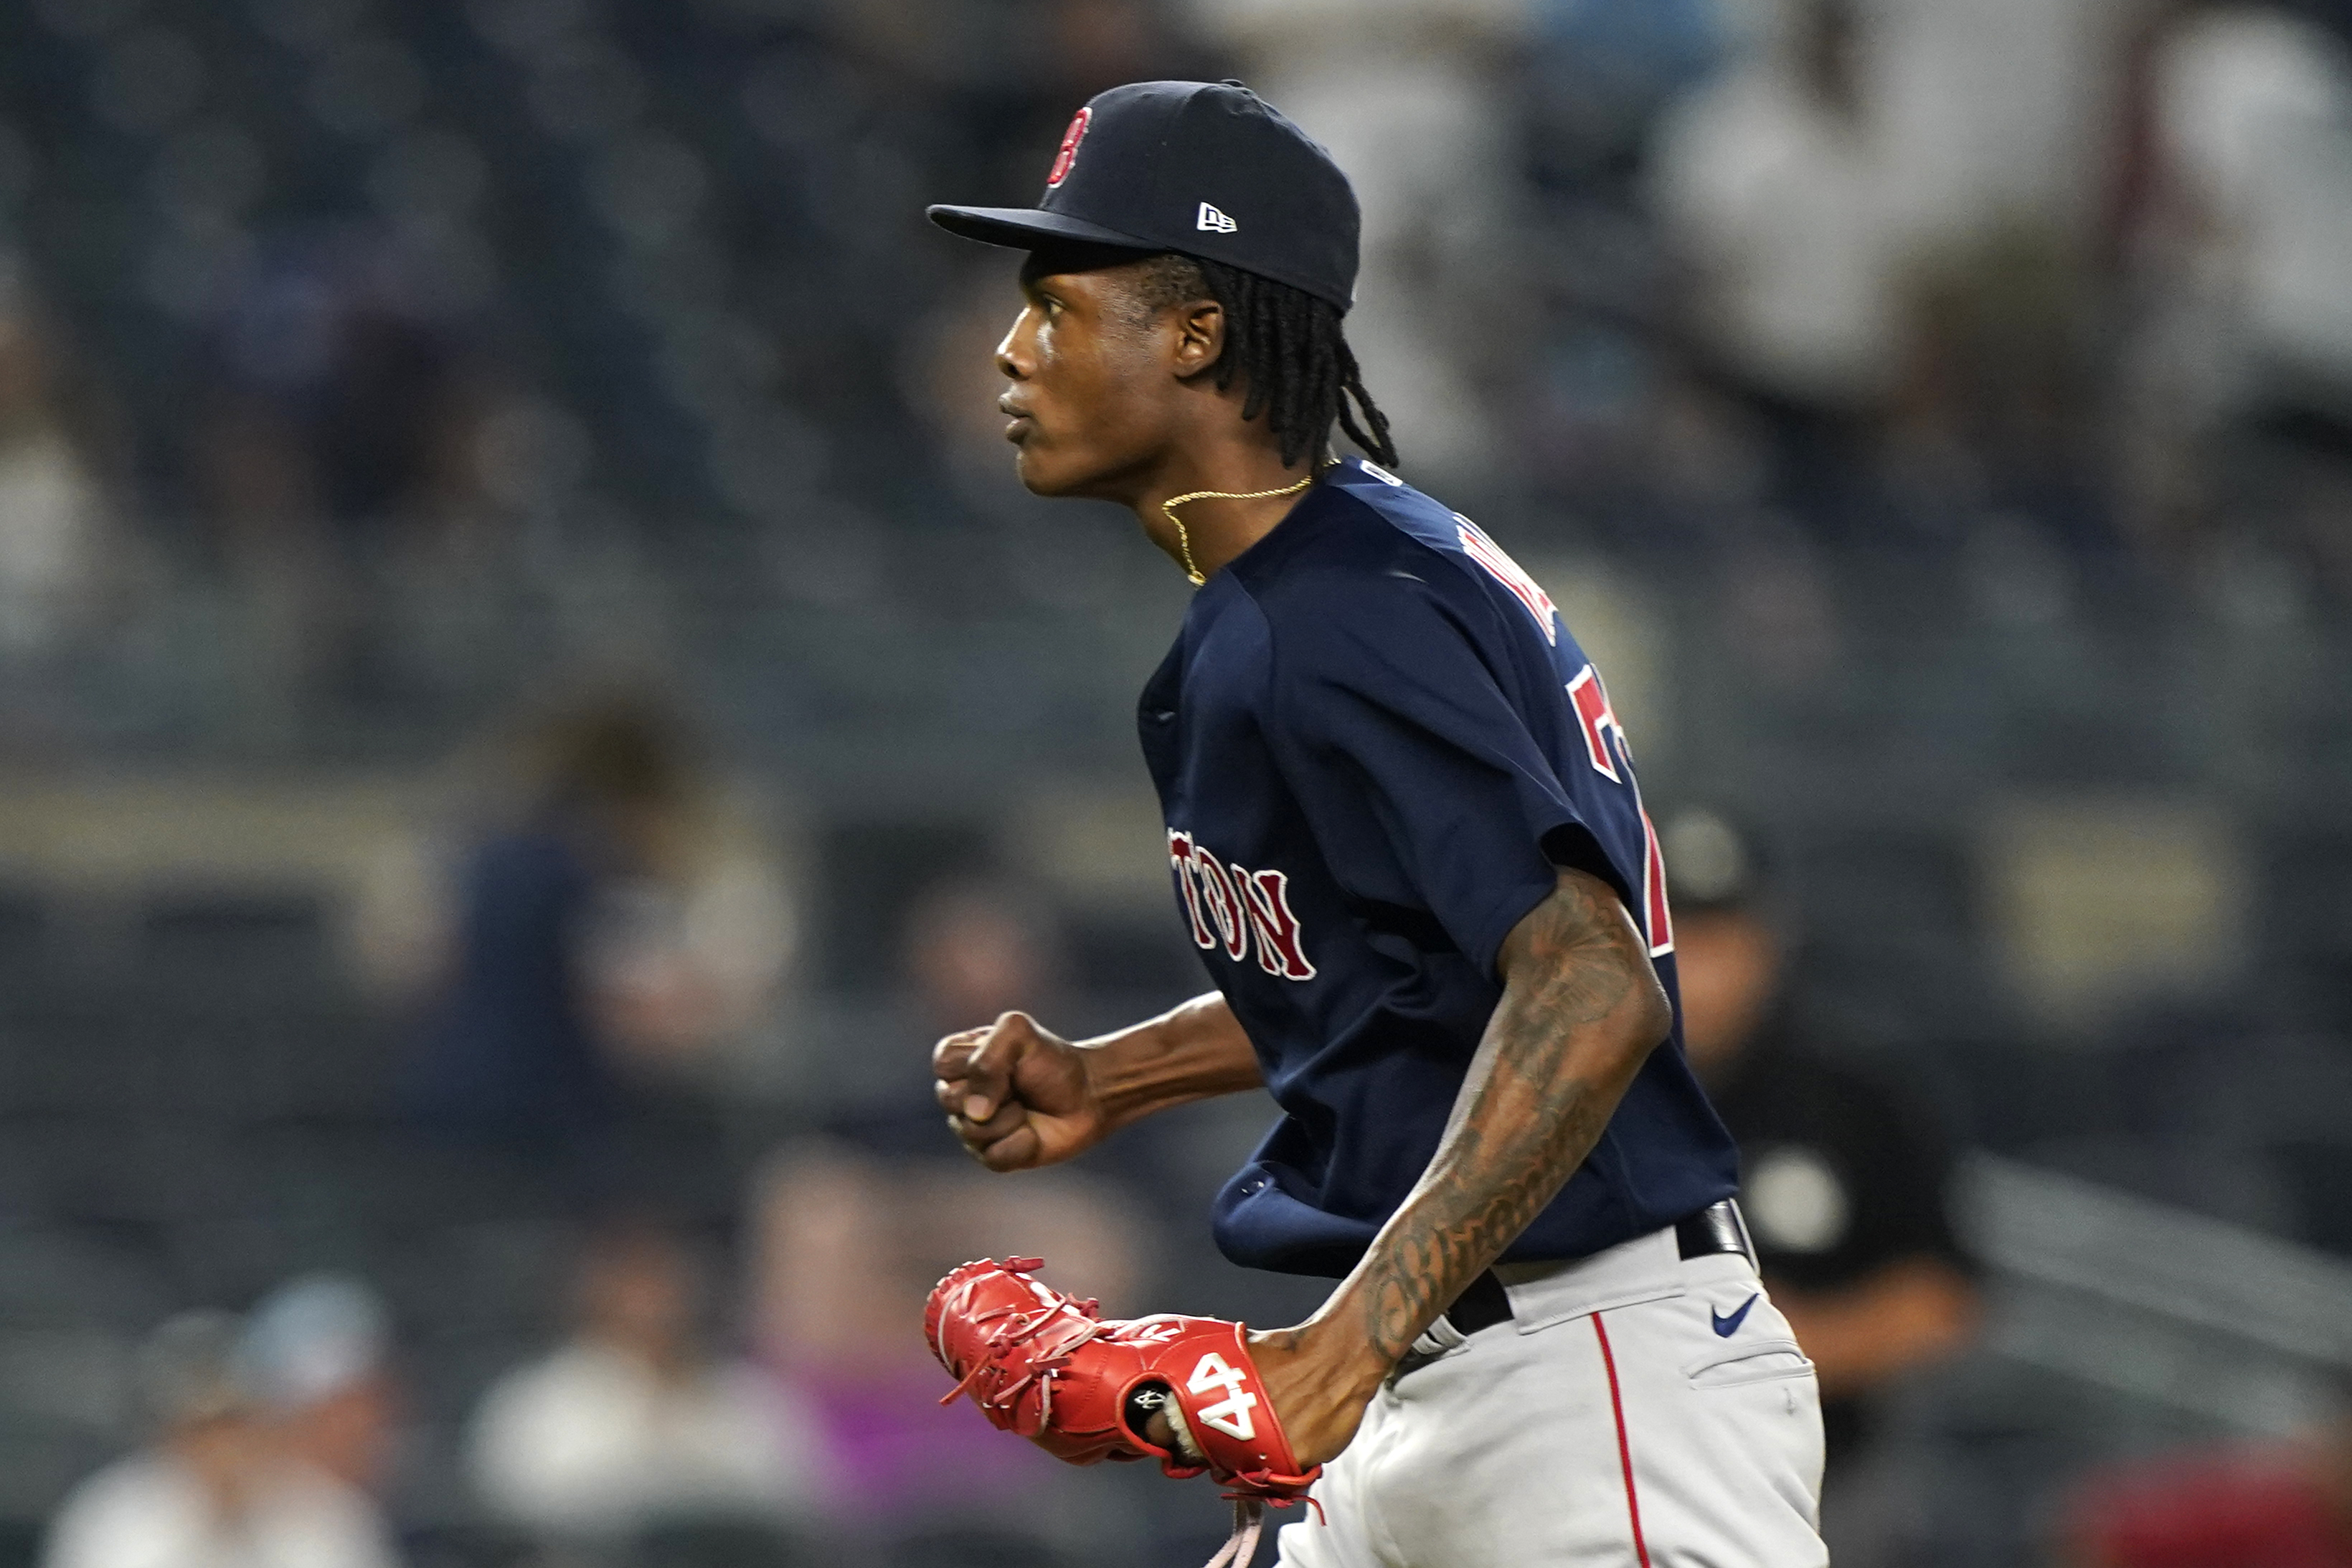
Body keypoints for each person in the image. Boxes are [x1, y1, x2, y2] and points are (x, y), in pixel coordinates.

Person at [922, 80, 1825, 1566]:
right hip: (1445, 1379)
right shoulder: (1323, 575)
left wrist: (1340, 1344)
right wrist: (1112, 1072)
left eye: (1057, 306)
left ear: (1197, 331)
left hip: (1589, 1394)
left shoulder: (1341, 615)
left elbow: (1592, 985)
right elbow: (1407, 966)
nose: (1012, 352)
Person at [1661, 808, 1978, 1562]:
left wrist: (1777, 1349)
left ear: (1768, 941)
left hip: (1822, 1478)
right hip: (1616, 1470)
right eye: (1678, 937)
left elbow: (1943, 1294)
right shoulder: (1572, 1095)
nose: (1699, 969)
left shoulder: (1854, 1094)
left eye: (1721, 938)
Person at [468, 1216, 819, 1546]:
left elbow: (802, 1512)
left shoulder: (755, 1397)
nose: (654, 1298)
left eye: (666, 1276)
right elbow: (518, 1523)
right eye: (633, 1279)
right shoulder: (534, 1407)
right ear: (591, 1290)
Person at [44, 1301, 404, 1568]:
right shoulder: (109, 1517)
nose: (224, 1450)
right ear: (170, 1434)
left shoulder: (329, 1515)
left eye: (236, 1426)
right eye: (204, 1432)